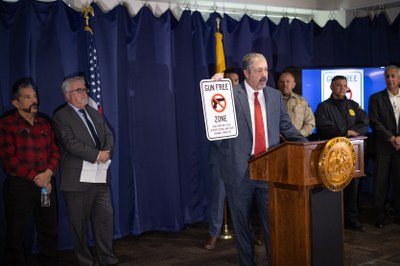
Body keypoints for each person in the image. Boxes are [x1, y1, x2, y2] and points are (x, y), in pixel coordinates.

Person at [211, 53, 307, 265]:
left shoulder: (274, 96)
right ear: (245, 73)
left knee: (272, 225)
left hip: (268, 169)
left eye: (266, 70)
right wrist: (215, 88)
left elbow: (286, 127)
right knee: (242, 227)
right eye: (258, 71)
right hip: (238, 171)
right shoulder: (230, 94)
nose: (264, 75)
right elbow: (213, 117)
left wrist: (307, 146)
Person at [52, 75, 118, 265]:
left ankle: (107, 258)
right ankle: (85, 261)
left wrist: (106, 151)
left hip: (100, 177)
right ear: (67, 95)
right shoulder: (61, 116)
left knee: (105, 219)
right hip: (77, 181)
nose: (84, 93)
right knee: (78, 225)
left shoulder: (94, 112)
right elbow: (70, 143)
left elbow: (108, 134)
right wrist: (97, 155)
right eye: (79, 90)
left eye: (84, 89)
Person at [0, 78, 60, 265]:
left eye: (34, 96)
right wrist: (37, 177)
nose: (34, 100)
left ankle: (49, 261)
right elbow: (10, 161)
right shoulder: (6, 125)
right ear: (15, 103)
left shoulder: (44, 123)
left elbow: (55, 151)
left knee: (48, 227)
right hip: (19, 187)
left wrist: (48, 173)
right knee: (16, 232)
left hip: (45, 185)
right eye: (27, 97)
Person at [314, 75, 369, 231]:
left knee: (353, 184)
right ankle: (333, 219)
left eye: (344, 85)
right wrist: (345, 131)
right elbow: (323, 126)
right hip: (333, 154)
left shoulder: (353, 105)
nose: (342, 88)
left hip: (352, 152)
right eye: (338, 85)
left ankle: (352, 218)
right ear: (331, 87)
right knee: (333, 185)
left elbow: (364, 123)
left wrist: (352, 133)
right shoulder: (323, 107)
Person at [204, 68, 241, 250]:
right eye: (230, 81)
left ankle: (246, 233)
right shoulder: (214, 103)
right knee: (218, 198)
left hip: (240, 159)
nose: (233, 84)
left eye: (236, 81)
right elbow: (214, 135)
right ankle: (213, 234)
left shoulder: (246, 102)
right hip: (221, 158)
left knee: (244, 199)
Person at [368, 65, 400, 229]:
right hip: (383, 147)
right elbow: (374, 122)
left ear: (399, 78)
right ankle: (379, 217)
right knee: (380, 184)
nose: (390, 79)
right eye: (387, 76)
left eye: (393, 76)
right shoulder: (376, 98)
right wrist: (391, 137)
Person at [278, 71, 315, 137]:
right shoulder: (271, 101)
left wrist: (298, 135)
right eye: (282, 82)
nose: (285, 84)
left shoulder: (303, 101)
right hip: (277, 143)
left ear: (293, 84)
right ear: (278, 83)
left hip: (297, 142)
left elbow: (310, 123)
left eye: (288, 82)